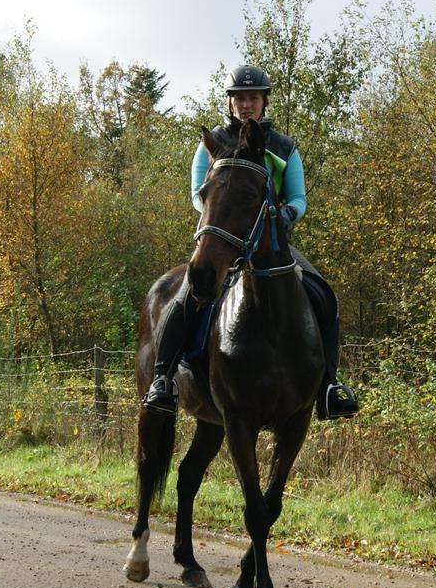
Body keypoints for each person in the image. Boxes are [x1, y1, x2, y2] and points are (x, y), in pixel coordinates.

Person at [142, 63, 360, 421]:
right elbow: (199, 195)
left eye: (253, 98)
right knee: (185, 296)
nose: (247, 105)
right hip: (223, 241)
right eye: (240, 99)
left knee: (322, 294)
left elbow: (299, 197)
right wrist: (216, 217)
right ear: (230, 103)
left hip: (270, 243)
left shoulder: (283, 147)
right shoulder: (212, 143)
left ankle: (329, 386)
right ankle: (163, 380)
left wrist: (289, 213)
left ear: (263, 102)